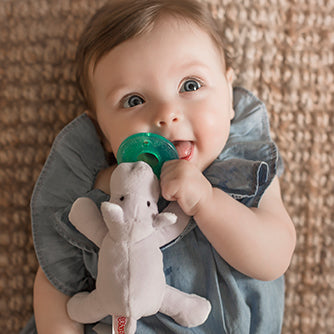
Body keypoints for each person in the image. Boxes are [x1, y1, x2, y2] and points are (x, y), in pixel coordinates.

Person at [22, 0, 296, 333]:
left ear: (228, 92)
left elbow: (273, 258)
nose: (167, 113)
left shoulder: (246, 170)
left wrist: (207, 203)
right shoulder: (97, 192)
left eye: (190, 85)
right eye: (134, 100)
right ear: (103, 134)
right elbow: (55, 285)